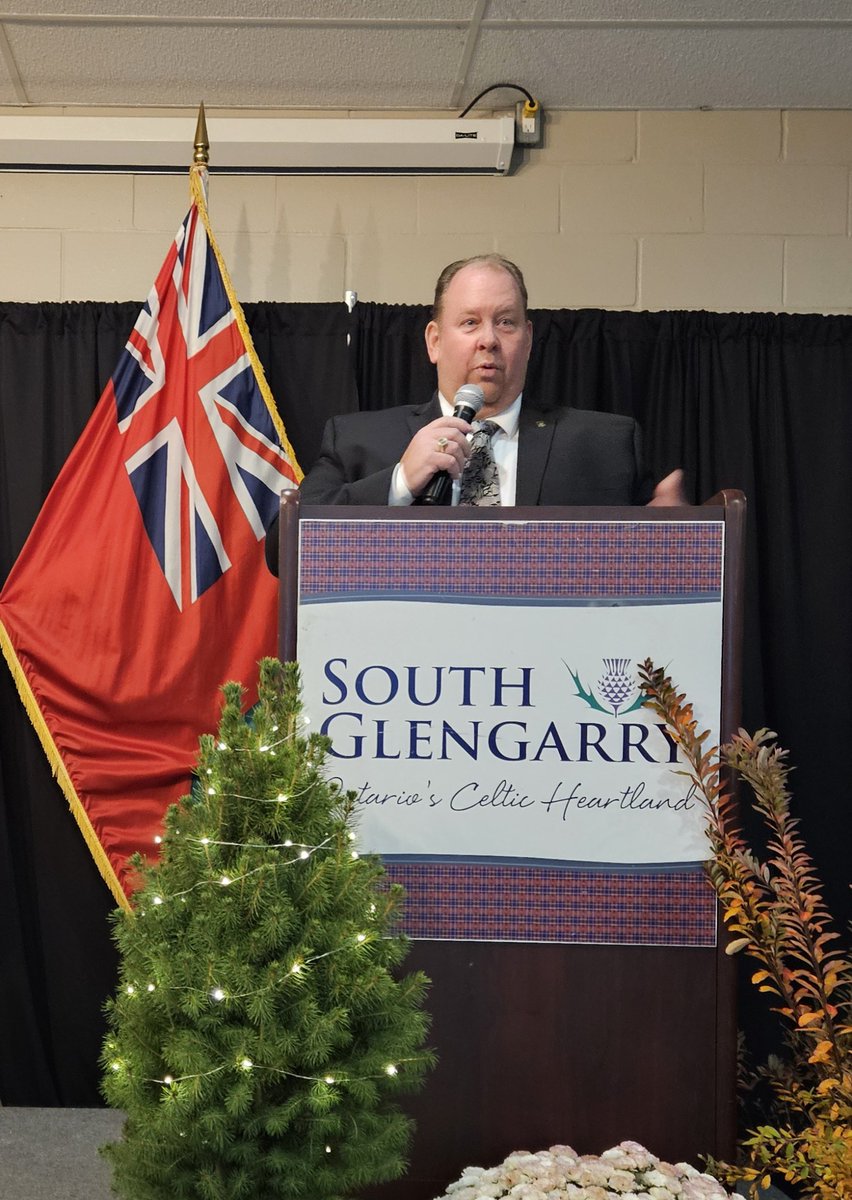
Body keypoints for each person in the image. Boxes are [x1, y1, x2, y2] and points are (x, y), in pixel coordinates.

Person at [266, 254, 683, 569]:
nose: (488, 340)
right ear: (434, 341)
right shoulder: (358, 439)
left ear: (529, 338)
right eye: (469, 323)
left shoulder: (604, 445)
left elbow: (661, 569)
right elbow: (281, 552)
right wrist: (399, 483)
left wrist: (677, 539)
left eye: (506, 322)